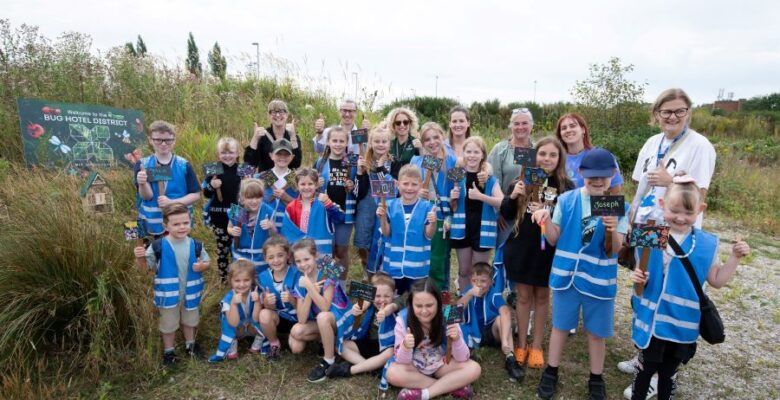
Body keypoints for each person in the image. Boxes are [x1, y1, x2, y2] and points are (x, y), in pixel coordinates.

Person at [620, 88, 717, 398]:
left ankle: (661, 374)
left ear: (688, 112)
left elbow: (698, 192)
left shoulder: (700, 146)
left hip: (676, 231)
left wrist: (671, 182)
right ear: (656, 114)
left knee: (669, 296)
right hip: (648, 227)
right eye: (666, 112)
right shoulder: (652, 143)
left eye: (679, 111)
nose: (673, 116)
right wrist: (629, 221)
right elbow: (640, 186)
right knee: (643, 292)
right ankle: (643, 356)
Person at [628, 175, 750, 400]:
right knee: (645, 371)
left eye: (688, 212)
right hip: (652, 323)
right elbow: (639, 278)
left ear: (700, 209)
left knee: (668, 374)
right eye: (674, 210)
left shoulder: (706, 243)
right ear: (662, 205)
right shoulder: (649, 233)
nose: (681, 218)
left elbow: (717, 280)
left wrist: (734, 258)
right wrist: (637, 278)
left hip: (683, 326)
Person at [531, 148, 629, 400]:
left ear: (614, 175)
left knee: (597, 333)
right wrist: (545, 222)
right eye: (592, 176)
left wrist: (611, 230)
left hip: (599, 281)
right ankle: (551, 371)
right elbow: (554, 239)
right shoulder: (567, 200)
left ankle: (596, 377)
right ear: (581, 173)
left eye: (604, 177)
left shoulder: (618, 206)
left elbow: (616, 250)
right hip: (566, 279)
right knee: (561, 327)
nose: (597, 181)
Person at [501, 136, 575, 371]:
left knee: (542, 297)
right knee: (523, 298)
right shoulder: (521, 180)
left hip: (548, 250)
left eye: (553, 155)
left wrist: (548, 212)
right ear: (534, 156)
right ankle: (521, 344)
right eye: (543, 154)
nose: (547, 159)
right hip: (522, 248)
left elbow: (570, 221)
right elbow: (506, 212)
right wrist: (513, 196)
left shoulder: (566, 187)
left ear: (560, 159)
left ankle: (537, 346)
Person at [133, 203, 210, 366]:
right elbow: (144, 269)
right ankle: (169, 351)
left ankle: (191, 345)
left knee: (190, 321)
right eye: (176, 224)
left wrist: (202, 266)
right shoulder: (157, 246)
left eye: (185, 223)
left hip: (190, 294)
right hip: (167, 296)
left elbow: (207, 261)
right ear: (165, 225)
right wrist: (139, 257)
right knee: (168, 325)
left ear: (191, 222)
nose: (182, 227)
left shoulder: (196, 245)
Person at [385, 279, 482, 400]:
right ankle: (450, 387)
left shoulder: (448, 314)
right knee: (392, 373)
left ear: (438, 302)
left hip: (441, 363)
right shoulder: (402, 320)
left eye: (429, 305)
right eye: (418, 306)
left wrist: (457, 339)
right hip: (414, 367)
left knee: (474, 368)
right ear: (411, 304)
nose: (424, 311)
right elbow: (401, 361)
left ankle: (425, 394)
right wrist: (405, 346)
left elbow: (463, 357)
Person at [289, 239, 353, 383]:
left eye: (306, 259)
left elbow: (325, 307)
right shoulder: (300, 280)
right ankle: (324, 341)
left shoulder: (326, 271)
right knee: (297, 331)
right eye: (298, 261)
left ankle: (329, 360)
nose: (303, 264)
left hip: (340, 318)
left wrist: (310, 288)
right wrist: (309, 292)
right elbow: (301, 319)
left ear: (315, 256)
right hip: (322, 320)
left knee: (323, 316)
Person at [449, 136, 504, 290]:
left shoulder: (490, 179)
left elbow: (502, 202)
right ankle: (465, 304)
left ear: (482, 155)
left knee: (480, 272)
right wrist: (452, 198)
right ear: (463, 154)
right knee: (464, 271)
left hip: (483, 231)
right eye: (468, 151)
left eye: (476, 152)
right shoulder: (457, 173)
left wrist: (481, 197)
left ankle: (479, 305)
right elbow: (453, 205)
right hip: (462, 229)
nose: (472, 155)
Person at [410, 122, 458, 291]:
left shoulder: (452, 161)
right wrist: (417, 193)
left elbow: (458, 186)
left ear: (442, 137)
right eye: (427, 139)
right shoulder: (416, 160)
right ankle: (419, 291)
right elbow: (408, 185)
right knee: (420, 253)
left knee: (438, 257)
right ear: (422, 143)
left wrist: (455, 197)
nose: (432, 142)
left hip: (441, 214)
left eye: (436, 137)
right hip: (420, 213)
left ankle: (438, 292)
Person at [376, 164, 437, 295]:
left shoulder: (427, 207)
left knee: (414, 300)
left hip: (417, 267)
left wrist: (433, 222)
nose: (409, 188)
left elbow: (429, 235)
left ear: (420, 185)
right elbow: (386, 233)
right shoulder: (390, 206)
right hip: (393, 265)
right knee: (393, 298)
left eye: (414, 184)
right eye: (405, 184)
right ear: (397, 184)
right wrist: (382, 218)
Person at [327, 272, 399, 381]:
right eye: (378, 296)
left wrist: (386, 312)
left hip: (386, 347)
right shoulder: (371, 305)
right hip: (370, 343)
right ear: (372, 295)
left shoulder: (397, 309)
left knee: (390, 353)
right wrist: (357, 309)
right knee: (341, 346)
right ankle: (370, 367)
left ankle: (352, 369)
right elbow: (363, 303)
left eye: (387, 296)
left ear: (394, 294)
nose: (382, 300)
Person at [134, 120, 201, 236]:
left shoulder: (184, 165)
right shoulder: (142, 165)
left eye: (168, 140)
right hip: (152, 224)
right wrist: (142, 183)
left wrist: (172, 202)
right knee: (153, 253)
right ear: (150, 140)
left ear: (174, 140)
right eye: (158, 140)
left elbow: (195, 195)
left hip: (179, 224)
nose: (163, 144)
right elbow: (147, 196)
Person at [458, 262, 522, 382]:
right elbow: (452, 315)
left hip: (491, 332)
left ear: (491, 281)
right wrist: (469, 294)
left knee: (501, 319)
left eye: (483, 281)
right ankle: (467, 355)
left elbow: (505, 312)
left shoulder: (494, 293)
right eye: (475, 280)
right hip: (472, 332)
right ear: (470, 281)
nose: (478, 284)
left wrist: (503, 341)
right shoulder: (467, 291)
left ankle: (510, 358)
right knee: (456, 327)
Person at [354, 125, 398, 278]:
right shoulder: (363, 161)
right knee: (362, 240)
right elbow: (356, 192)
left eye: (384, 141)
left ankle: (380, 274)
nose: (380, 144)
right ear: (370, 143)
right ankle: (367, 270)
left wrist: (381, 168)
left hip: (385, 205)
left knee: (380, 240)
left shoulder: (394, 163)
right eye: (377, 141)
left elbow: (394, 187)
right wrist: (359, 174)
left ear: (389, 144)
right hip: (366, 205)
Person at [487, 108, 534, 244]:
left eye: (524, 123)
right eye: (516, 123)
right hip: (506, 216)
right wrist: (498, 212)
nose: (520, 127)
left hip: (531, 215)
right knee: (505, 257)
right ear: (510, 126)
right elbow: (492, 182)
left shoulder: (538, 149)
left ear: (531, 125)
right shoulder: (500, 150)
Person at [314, 125, 356, 274]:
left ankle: (342, 287)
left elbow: (360, 186)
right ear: (328, 142)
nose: (338, 144)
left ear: (346, 143)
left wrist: (352, 186)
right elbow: (310, 188)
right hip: (325, 212)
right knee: (328, 250)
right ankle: (329, 286)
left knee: (341, 250)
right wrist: (316, 185)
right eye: (334, 141)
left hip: (345, 213)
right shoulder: (320, 162)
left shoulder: (352, 161)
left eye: (341, 141)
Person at [202, 137, 242, 281]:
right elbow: (206, 193)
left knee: (237, 242)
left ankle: (238, 275)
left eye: (231, 152)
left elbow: (252, 186)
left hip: (236, 210)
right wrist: (212, 185)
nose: (227, 156)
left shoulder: (243, 169)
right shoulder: (213, 168)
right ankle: (223, 277)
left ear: (237, 153)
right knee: (222, 246)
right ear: (218, 154)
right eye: (223, 153)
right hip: (218, 213)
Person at [207, 259, 263, 362]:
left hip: (252, 327)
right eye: (237, 281)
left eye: (246, 280)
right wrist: (233, 303)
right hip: (238, 329)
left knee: (264, 317)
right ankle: (232, 342)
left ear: (252, 280)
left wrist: (258, 302)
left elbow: (256, 318)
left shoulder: (256, 294)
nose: (241, 284)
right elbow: (233, 323)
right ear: (231, 281)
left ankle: (259, 339)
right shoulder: (228, 299)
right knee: (228, 323)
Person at [256, 235, 301, 361]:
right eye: (271, 257)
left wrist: (292, 299)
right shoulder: (263, 277)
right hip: (278, 319)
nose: (276, 260)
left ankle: (311, 339)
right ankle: (274, 344)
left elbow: (305, 307)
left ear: (288, 255)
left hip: (298, 320)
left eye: (280, 255)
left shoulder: (297, 273)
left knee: (296, 348)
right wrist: (267, 302)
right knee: (264, 314)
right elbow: (268, 307)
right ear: (265, 259)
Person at [281, 168, 344, 257]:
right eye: (303, 184)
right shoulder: (291, 207)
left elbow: (340, 218)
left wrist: (328, 203)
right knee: (300, 270)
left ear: (316, 185)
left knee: (334, 271)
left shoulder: (324, 203)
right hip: (301, 256)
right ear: (297, 186)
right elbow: (286, 234)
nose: (306, 187)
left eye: (310, 184)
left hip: (323, 254)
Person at [555, 113, 623, 192]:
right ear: (560, 134)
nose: (568, 130)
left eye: (572, 126)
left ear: (583, 130)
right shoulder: (555, 159)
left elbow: (615, 189)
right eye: (563, 128)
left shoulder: (601, 157)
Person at [228, 179, 275, 273]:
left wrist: (270, 225)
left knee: (261, 283)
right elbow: (229, 227)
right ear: (242, 198)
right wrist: (232, 231)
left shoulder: (268, 211)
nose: (254, 201)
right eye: (250, 198)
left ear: (263, 196)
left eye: (258, 197)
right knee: (243, 281)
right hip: (241, 256)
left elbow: (274, 235)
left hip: (261, 259)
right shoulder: (238, 210)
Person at [244, 99, 303, 171]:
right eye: (274, 112)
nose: (277, 115)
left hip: (287, 177)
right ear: (269, 116)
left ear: (287, 115)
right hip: (266, 177)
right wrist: (255, 138)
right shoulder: (262, 136)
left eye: (281, 112)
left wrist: (293, 137)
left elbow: (296, 164)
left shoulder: (292, 136)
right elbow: (249, 165)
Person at [260, 138, 299, 231]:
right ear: (271, 156)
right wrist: (232, 227)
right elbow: (244, 201)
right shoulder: (261, 177)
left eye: (286, 154)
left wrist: (287, 198)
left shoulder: (297, 178)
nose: (282, 157)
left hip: (289, 229)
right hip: (265, 229)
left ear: (292, 157)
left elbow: (305, 207)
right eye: (278, 154)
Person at [387, 107, 422, 175]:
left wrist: (421, 150)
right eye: (398, 123)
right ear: (393, 125)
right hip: (394, 183)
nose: (402, 125)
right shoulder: (389, 144)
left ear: (410, 124)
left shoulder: (417, 142)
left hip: (410, 183)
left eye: (405, 122)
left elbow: (431, 167)